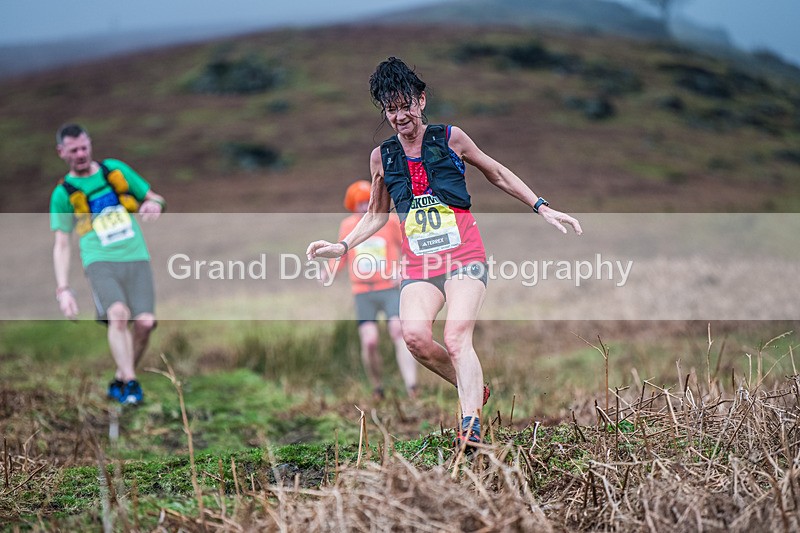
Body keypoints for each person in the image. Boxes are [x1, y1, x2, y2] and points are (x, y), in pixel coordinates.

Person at [308, 57, 582, 449]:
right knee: (415, 338)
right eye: (391, 109)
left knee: (455, 336)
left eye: (406, 105)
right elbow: (376, 215)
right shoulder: (381, 157)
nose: (400, 116)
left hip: (464, 255)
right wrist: (341, 246)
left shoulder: (451, 138)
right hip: (420, 264)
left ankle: (470, 427)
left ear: (420, 100)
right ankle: (472, 386)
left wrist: (542, 206)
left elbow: (497, 172)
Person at [50, 123, 166, 406]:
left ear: (90, 144)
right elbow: (62, 244)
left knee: (145, 324)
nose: (80, 154)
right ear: (61, 152)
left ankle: (121, 378)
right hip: (99, 261)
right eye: (73, 150)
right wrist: (63, 289)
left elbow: (154, 197)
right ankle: (132, 384)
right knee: (118, 314)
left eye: (84, 147)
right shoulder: (63, 194)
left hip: (136, 256)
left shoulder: (115, 171)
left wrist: (155, 205)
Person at [322, 180, 418, 401]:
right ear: (352, 206)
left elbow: (408, 245)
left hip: (389, 288)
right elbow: (341, 254)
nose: (365, 208)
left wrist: (403, 269)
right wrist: (329, 271)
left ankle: (412, 387)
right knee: (370, 340)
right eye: (360, 204)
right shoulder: (348, 226)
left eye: (368, 202)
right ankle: (377, 388)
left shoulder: (390, 221)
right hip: (363, 292)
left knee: (398, 331)